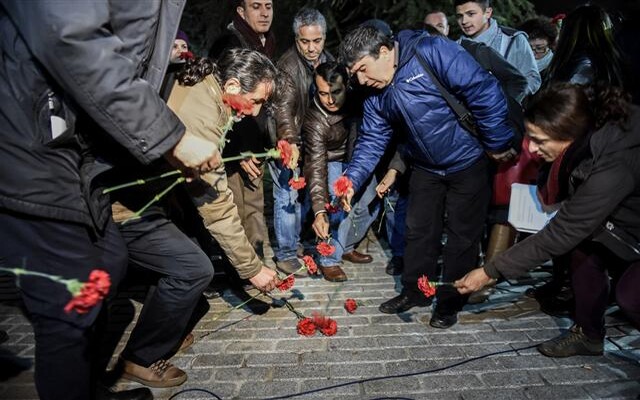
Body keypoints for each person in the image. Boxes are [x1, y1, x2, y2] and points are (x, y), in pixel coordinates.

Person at [0, 1, 219, 399]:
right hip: (31, 136)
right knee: (72, 300)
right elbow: (71, 38)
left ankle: (89, 387)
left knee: (109, 260)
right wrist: (171, 139)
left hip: (79, 147)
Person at [108, 49, 280, 388]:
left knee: (186, 268)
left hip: (145, 199)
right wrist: (252, 269)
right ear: (233, 85)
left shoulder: (206, 88)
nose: (256, 112)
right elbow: (216, 205)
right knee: (194, 269)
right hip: (127, 207)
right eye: (256, 101)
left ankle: (168, 328)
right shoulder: (202, 116)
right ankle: (139, 358)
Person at [339, 25, 514, 329]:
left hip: (468, 160)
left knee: (462, 236)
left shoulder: (431, 51)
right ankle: (415, 292)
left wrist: (497, 143)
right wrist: (351, 179)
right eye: (356, 75)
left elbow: (483, 90)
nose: (362, 80)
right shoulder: (375, 93)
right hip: (425, 166)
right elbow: (372, 140)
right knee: (418, 232)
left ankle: (450, 301)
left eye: (363, 70)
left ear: (384, 51)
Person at [456, 83, 640, 358]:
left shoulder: (617, 158)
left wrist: (488, 272)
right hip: (618, 223)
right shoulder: (581, 142)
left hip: (631, 228)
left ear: (569, 133)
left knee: (631, 297)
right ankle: (588, 335)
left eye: (540, 141)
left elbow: (562, 231)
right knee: (581, 252)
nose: (531, 148)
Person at [208, 0, 276, 261]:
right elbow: (224, 102)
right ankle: (240, 270)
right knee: (234, 212)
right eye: (256, 6)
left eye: (268, 6)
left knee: (254, 211)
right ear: (241, 11)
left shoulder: (267, 42)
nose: (264, 13)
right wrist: (239, 149)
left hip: (254, 145)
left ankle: (256, 265)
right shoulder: (229, 43)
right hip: (232, 150)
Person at [303, 62, 379, 282]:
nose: (330, 100)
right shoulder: (314, 120)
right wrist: (319, 211)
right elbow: (316, 166)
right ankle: (328, 259)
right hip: (330, 160)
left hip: (357, 157)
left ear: (347, 85)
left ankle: (346, 246)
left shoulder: (358, 97)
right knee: (337, 207)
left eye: (336, 92)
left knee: (371, 201)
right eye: (323, 93)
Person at [455, 0, 541, 96]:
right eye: (460, 16)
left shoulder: (512, 39)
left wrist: (509, 98)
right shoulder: (454, 48)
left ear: (488, 13)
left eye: (471, 14)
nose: (464, 21)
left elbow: (532, 78)